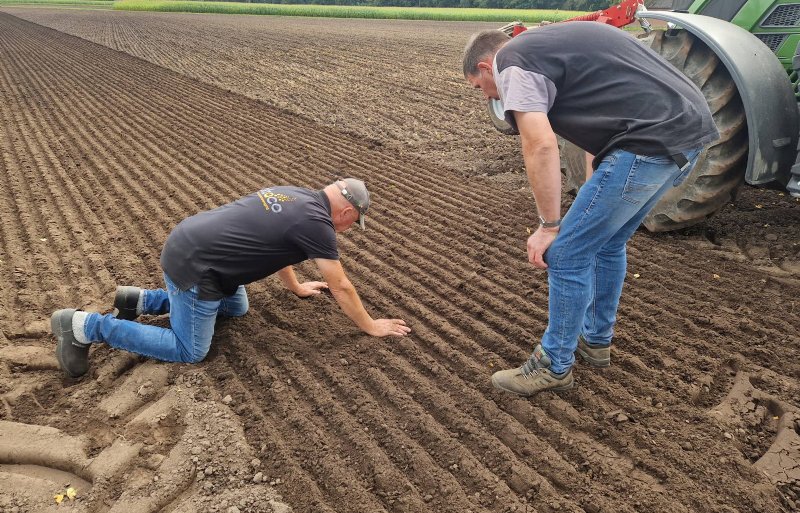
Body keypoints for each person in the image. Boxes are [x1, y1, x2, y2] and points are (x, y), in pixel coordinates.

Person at [463, 22, 718, 396]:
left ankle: (553, 365)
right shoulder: (549, 46)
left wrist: (549, 225)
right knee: (607, 244)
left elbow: (540, 146)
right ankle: (596, 342)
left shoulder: (512, 61)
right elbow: (600, 117)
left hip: (647, 141)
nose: (487, 97)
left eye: (479, 89)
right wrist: (591, 188)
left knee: (566, 253)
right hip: (683, 134)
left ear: (487, 67)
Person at [51, 178, 411, 378]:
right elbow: (341, 285)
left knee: (236, 309)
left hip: (193, 245)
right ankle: (84, 326)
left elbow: (280, 252)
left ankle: (139, 301)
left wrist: (298, 287)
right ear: (347, 211)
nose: (349, 230)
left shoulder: (299, 197)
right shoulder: (318, 225)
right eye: (353, 223)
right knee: (190, 350)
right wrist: (370, 325)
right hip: (197, 268)